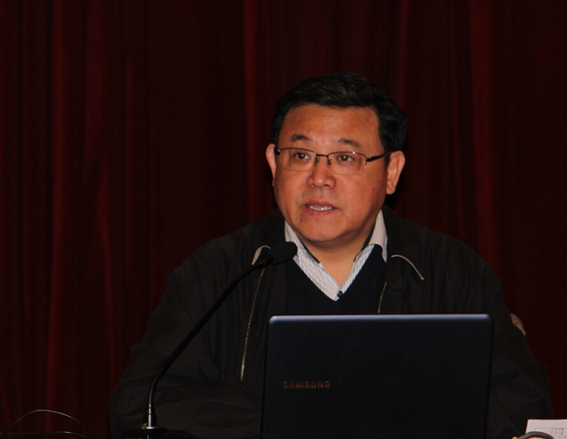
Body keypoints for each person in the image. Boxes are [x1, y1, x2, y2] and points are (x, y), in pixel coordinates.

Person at [109, 72, 552, 439]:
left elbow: (520, 405)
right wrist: (293, 422)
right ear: (273, 163)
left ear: (391, 171)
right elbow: (140, 404)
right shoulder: (218, 272)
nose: (319, 177)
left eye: (345, 157)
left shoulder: (452, 272)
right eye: (301, 155)